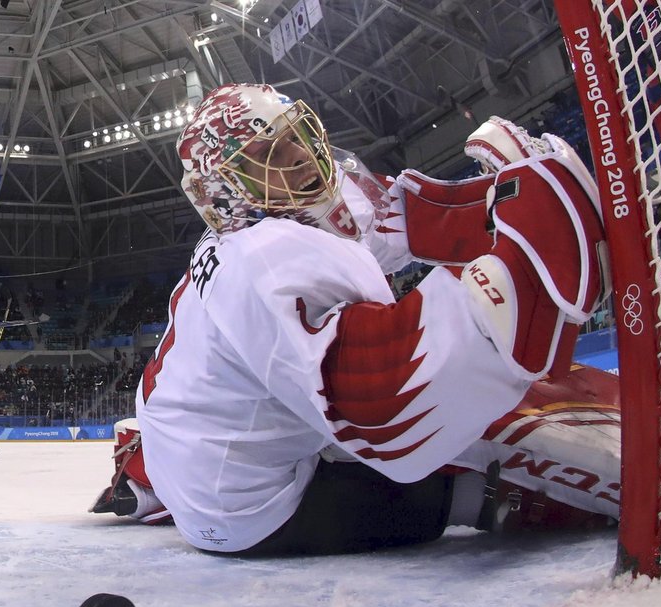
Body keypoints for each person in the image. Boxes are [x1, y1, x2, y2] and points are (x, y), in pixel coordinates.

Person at [91, 83, 608, 554]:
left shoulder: (269, 216)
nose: (300, 159)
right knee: (490, 442)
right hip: (246, 508)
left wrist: (500, 203)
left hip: (193, 458)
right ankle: (488, 500)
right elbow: (383, 402)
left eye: (295, 137)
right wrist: (529, 250)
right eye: (266, 158)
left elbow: (397, 218)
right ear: (225, 193)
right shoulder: (266, 257)